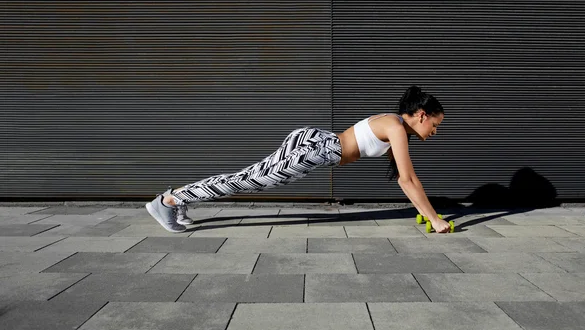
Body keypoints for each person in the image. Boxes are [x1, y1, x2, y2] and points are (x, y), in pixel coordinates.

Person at [146, 85, 451, 233]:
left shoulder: (392, 123)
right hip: (317, 149)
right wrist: (436, 220)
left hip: (315, 142)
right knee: (248, 181)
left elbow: (405, 178)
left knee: (247, 178)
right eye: (434, 125)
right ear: (421, 115)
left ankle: (177, 199)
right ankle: (169, 201)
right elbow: (407, 179)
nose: (434, 132)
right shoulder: (396, 126)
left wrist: (425, 211)